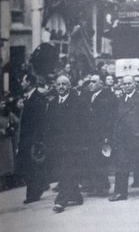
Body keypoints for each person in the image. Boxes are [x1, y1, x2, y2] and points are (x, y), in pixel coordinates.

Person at [109, 75, 139, 201]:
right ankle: (120, 193)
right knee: (121, 166)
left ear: (135, 84)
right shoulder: (121, 100)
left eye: (129, 83)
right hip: (123, 140)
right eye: (124, 84)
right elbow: (117, 121)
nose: (126, 86)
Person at [45, 75, 86, 213]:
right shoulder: (53, 103)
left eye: (64, 84)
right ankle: (76, 196)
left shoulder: (78, 102)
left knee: (66, 172)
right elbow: (49, 125)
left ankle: (61, 201)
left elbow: (85, 124)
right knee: (65, 171)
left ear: (69, 86)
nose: (61, 87)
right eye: (59, 84)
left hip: (73, 145)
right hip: (58, 145)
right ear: (55, 87)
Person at [14, 73, 48, 202]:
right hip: (27, 139)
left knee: (31, 167)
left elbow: (40, 121)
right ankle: (38, 188)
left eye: (23, 81)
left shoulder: (37, 98)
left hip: (32, 139)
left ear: (28, 82)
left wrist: (37, 140)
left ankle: (33, 193)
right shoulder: (30, 97)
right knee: (29, 167)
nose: (21, 84)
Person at [85, 74, 117, 196]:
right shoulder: (89, 96)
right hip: (91, 134)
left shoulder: (108, 96)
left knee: (102, 161)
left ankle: (103, 187)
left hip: (103, 134)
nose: (90, 84)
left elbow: (111, 118)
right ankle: (97, 185)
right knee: (93, 160)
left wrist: (107, 136)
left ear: (101, 84)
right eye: (90, 82)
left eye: (94, 82)